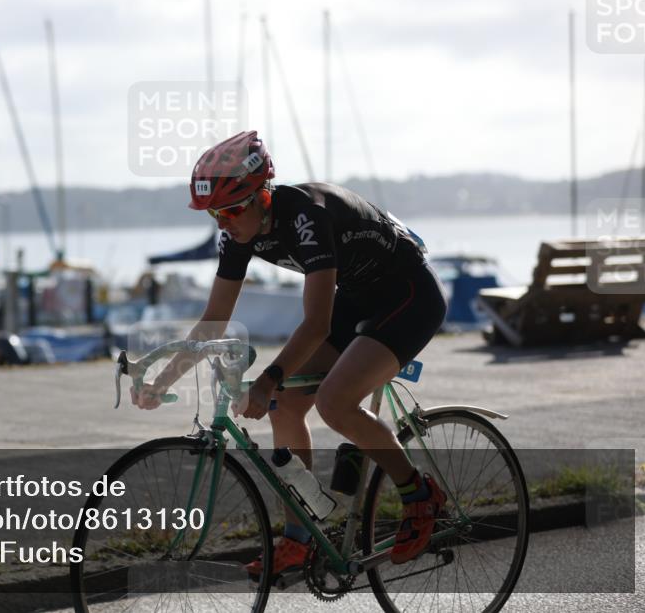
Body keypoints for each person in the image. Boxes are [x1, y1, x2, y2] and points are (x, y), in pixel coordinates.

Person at [131, 130, 448, 576]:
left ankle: (419, 494)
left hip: (408, 294)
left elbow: (316, 325)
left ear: (262, 194)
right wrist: (164, 380)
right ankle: (301, 539)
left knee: (334, 402)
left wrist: (265, 379)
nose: (224, 222)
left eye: (231, 209)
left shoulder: (307, 217)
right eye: (214, 214)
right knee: (285, 405)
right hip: (358, 294)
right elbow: (214, 319)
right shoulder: (238, 234)